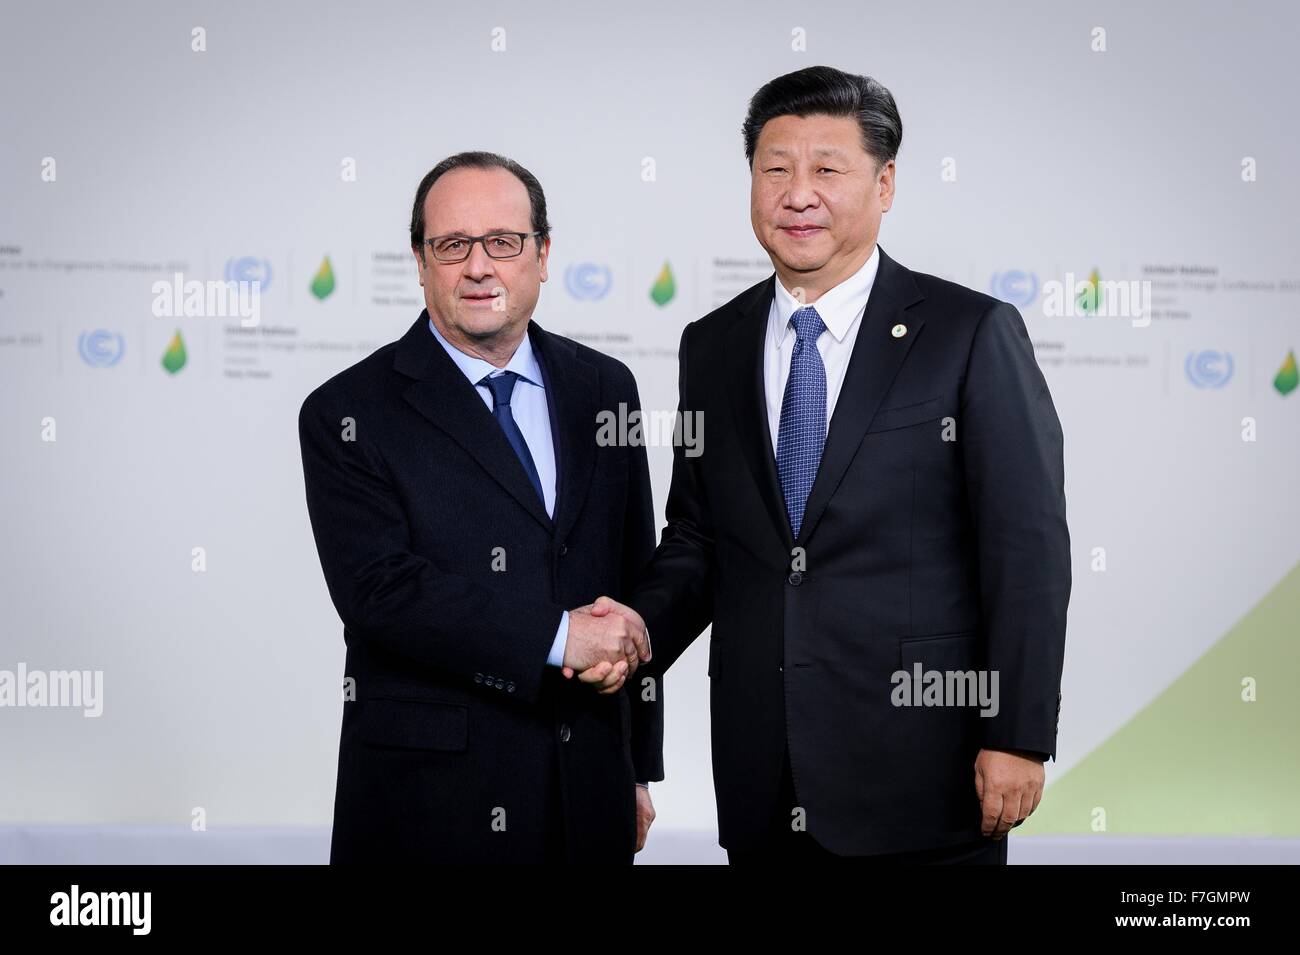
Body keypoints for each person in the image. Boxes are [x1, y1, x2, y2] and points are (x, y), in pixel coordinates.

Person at [588, 66, 1071, 864]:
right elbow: (700, 539)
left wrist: (1017, 733)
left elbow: (1027, 551)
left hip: (926, 775)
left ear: (884, 186)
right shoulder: (712, 345)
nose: (797, 193)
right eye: (775, 168)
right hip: (761, 778)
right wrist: (635, 631)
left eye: (826, 169)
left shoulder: (969, 333)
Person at [299, 151, 659, 863]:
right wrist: (559, 636)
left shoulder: (605, 388)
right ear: (420, 260)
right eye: (452, 245)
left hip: (587, 786)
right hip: (430, 802)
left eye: (503, 241)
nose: (479, 266)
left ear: (542, 253)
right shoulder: (347, 410)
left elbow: (632, 576)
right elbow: (381, 592)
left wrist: (637, 765)